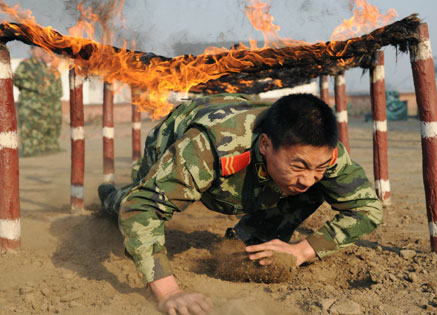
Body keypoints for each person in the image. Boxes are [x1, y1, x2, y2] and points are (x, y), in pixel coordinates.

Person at [98, 93, 382, 315]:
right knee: (134, 200)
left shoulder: (322, 154)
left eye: (318, 167)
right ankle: (110, 195)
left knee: (312, 186)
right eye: (300, 166)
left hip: (254, 174)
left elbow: (367, 209)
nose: (308, 178)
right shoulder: (208, 146)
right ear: (266, 145)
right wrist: (169, 292)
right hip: (175, 143)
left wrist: (302, 251)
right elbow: (143, 207)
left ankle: (251, 238)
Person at [14, 46, 63, 156]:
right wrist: (33, 87)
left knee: (39, 126)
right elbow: (17, 79)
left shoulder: (42, 66)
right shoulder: (25, 64)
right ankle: (28, 150)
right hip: (28, 101)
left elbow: (45, 83)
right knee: (27, 126)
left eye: (41, 50)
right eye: (37, 49)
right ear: (31, 51)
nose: (40, 52)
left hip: (40, 103)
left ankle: (38, 148)